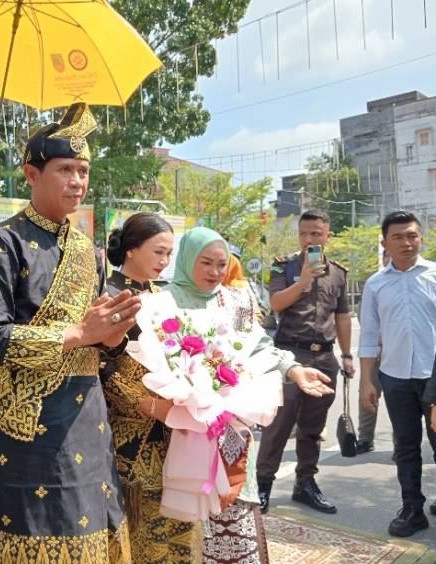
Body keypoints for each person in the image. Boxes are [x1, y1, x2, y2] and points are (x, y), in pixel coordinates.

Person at [0, 103, 139, 563]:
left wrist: (110, 338)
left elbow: (97, 339)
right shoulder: (0, 243)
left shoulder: (89, 251)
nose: (78, 181)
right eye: (65, 169)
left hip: (88, 416)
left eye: (83, 171)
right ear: (31, 174)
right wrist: (78, 333)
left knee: (94, 531)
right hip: (32, 424)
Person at [165, 227, 334, 564]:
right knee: (183, 520)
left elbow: (259, 345)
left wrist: (293, 369)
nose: (215, 272)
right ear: (186, 259)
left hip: (232, 426)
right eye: (206, 263)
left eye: (221, 264)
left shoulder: (237, 301)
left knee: (234, 508)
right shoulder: (162, 301)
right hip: (182, 427)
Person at [100, 213, 206, 562]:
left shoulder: (165, 297)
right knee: (137, 526)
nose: (164, 261)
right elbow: (100, 364)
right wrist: (146, 404)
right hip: (129, 434)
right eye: (158, 252)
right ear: (131, 249)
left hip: (175, 427)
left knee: (179, 524)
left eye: (169, 254)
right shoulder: (108, 295)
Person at [256, 209, 353, 515]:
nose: (308, 239)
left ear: (328, 236)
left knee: (313, 426)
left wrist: (346, 355)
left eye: (315, 234)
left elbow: (342, 316)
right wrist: (303, 281)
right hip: (289, 355)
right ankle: (263, 484)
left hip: (324, 356)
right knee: (278, 424)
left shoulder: (338, 273)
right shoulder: (282, 265)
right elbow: (276, 303)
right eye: (303, 233)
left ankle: (305, 483)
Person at [359, 210, 436, 537]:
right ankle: (412, 509)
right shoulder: (375, 284)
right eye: (398, 237)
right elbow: (368, 335)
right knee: (405, 445)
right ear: (385, 243)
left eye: (412, 236)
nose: (407, 242)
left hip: (434, 378)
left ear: (421, 238)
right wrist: (366, 381)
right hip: (395, 377)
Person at [356, 251, 391, 454]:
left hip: (399, 354)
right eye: (386, 255)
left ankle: (401, 443)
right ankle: (365, 438)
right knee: (368, 395)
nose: (389, 258)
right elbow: (366, 319)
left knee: (402, 402)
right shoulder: (375, 284)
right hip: (376, 355)